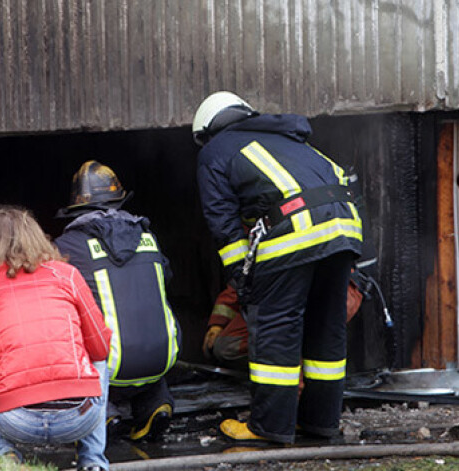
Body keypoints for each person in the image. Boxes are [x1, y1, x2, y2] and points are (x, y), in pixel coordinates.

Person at [192, 91, 363, 445]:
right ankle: (319, 422)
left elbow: (222, 220)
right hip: (345, 230)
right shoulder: (290, 139)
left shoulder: (215, 150)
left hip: (294, 235)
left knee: (275, 329)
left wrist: (241, 274)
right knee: (325, 331)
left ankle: (268, 428)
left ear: (208, 131)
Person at [0, 205, 113, 471]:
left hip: (16, 422)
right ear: (37, 236)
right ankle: (93, 462)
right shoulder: (66, 274)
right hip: (79, 418)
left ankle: (5, 456)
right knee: (98, 365)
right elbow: (100, 347)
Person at [55, 160, 181, 441]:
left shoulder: (66, 247)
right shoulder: (148, 235)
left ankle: (104, 413)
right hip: (164, 356)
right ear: (119, 201)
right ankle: (156, 403)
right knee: (138, 332)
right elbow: (167, 278)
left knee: (62, 330)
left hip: (109, 366)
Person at [203, 280, 364, 368]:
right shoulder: (259, 231)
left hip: (325, 293)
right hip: (278, 295)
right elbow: (240, 281)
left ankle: (295, 409)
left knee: (297, 345)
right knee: (225, 347)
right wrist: (217, 323)